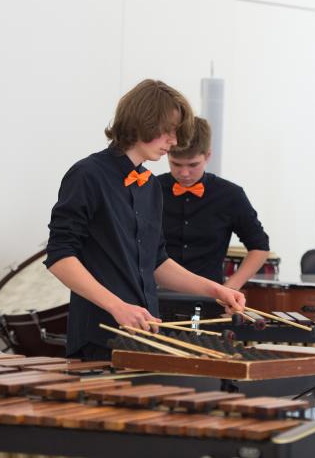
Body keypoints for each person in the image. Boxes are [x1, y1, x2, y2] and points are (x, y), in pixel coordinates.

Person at [44, 79, 245, 360]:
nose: (174, 142)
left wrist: (215, 290)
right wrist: (118, 307)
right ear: (144, 122)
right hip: (99, 338)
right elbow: (60, 257)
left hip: (146, 334)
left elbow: (157, 262)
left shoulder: (150, 186)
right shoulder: (88, 175)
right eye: (169, 131)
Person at [158, 117, 270, 290]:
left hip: (209, 296)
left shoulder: (230, 195)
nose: (184, 173)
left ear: (208, 155)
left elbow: (259, 247)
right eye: (176, 164)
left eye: (193, 164)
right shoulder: (150, 190)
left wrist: (231, 286)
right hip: (152, 296)